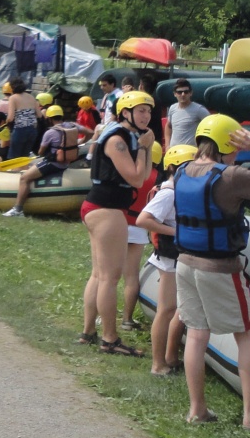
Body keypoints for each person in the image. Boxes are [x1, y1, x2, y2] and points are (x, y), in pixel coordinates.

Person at [176, 114, 250, 430]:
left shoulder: (181, 171)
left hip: (185, 262)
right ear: (230, 143)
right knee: (247, 333)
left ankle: (197, 410)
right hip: (221, 267)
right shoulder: (232, 176)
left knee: (197, 334)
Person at [80, 89, 156, 357]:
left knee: (99, 275)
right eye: (141, 110)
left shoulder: (127, 137)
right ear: (126, 112)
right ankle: (109, 338)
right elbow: (137, 179)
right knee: (110, 278)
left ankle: (88, 332)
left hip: (102, 207)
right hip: (107, 209)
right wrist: (146, 147)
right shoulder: (118, 140)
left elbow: (143, 174)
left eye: (149, 110)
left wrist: (145, 148)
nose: (146, 115)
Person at [136, 144, 197, 376]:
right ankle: (157, 364)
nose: (191, 171)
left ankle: (171, 356)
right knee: (167, 309)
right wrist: (177, 233)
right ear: (172, 168)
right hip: (170, 258)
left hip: (181, 256)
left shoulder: (183, 190)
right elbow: (143, 220)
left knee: (180, 308)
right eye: (186, 167)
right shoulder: (169, 192)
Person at [4, 104, 83, 216]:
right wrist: (77, 144)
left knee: (24, 178)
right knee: (32, 166)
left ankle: (18, 209)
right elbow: (89, 132)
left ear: (50, 119)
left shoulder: (50, 132)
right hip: (65, 163)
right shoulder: (72, 126)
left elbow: (41, 152)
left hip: (53, 164)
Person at [120, 142, 163, 331]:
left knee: (106, 276)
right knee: (131, 276)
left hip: (118, 223)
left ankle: (100, 315)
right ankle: (127, 319)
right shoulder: (158, 180)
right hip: (138, 228)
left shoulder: (130, 173)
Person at [1, 78, 41, 160]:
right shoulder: (31, 97)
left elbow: (11, 118)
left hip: (20, 130)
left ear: (12, 88)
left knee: (13, 157)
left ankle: (13, 172)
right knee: (24, 157)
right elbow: (39, 115)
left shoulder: (13, 98)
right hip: (32, 130)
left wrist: (6, 123)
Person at [165, 79, 210, 147]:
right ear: (175, 94)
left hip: (190, 154)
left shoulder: (199, 110)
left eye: (186, 92)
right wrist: (167, 146)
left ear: (191, 93)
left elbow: (211, 127)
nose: (183, 94)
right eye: (179, 92)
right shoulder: (172, 108)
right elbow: (168, 126)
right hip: (173, 153)